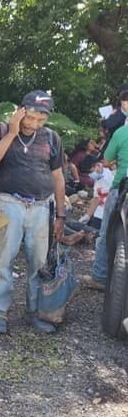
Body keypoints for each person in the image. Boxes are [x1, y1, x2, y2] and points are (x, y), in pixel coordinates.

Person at [0, 91, 67, 335]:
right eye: (30, 118)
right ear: (21, 111)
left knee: (39, 263)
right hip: (10, 203)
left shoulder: (51, 138)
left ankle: (35, 312)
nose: (34, 124)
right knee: (2, 259)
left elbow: (58, 177)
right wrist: (12, 132)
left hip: (41, 206)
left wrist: (60, 214)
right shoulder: (1, 131)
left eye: (41, 120)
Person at [82, 123, 128, 291]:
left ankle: (100, 277)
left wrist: (115, 161)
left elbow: (107, 160)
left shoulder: (122, 132)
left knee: (107, 234)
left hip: (122, 190)